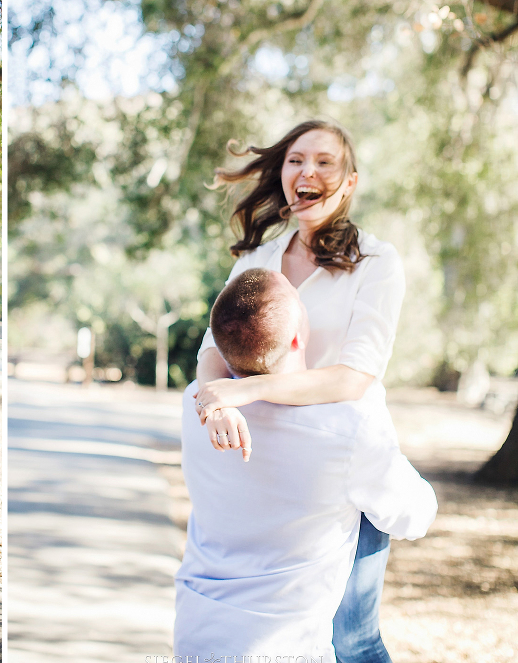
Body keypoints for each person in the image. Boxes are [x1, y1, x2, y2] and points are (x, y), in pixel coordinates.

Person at [189, 119, 405, 660]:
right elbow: (211, 353)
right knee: (282, 635)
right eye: (295, 160)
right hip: (271, 472)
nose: (307, 171)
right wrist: (215, 402)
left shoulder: (378, 264)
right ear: (283, 175)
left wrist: (242, 392)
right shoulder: (255, 261)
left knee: (350, 638)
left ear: (350, 181)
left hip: (349, 469)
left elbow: (355, 377)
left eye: (325, 161)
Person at [175, 267, 437, 657]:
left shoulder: (198, 405)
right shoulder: (349, 427)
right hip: (285, 647)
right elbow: (416, 516)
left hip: (197, 634)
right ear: (299, 334)